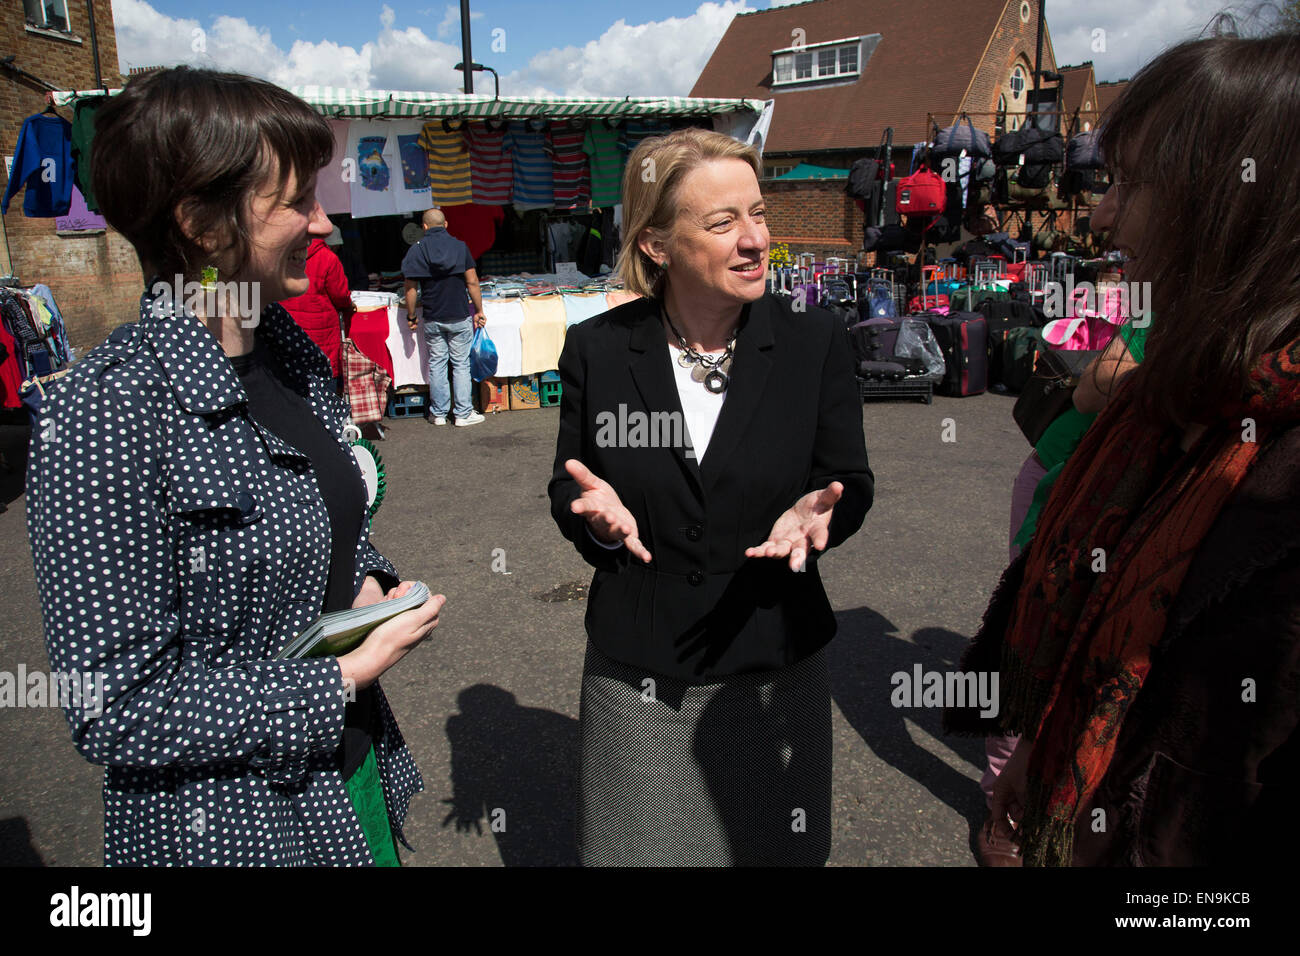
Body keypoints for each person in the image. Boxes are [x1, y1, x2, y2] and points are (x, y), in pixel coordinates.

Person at [25, 66, 445, 866]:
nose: (324, 224)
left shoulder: (289, 352)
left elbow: (326, 527)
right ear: (201, 224)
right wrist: (339, 678)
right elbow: (115, 706)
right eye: (296, 201)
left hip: (350, 776)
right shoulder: (108, 411)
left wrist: (369, 584)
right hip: (230, 828)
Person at [948, 23, 1300, 866]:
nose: (1102, 213)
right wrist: (1042, 754)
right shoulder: (1168, 403)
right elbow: (1097, 636)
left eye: (1130, 184)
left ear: (1231, 207)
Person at [548, 128, 873, 866]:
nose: (757, 239)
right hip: (640, 677)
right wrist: (596, 524)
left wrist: (826, 513)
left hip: (772, 666)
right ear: (658, 244)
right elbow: (571, 485)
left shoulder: (812, 340)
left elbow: (848, 479)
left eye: (758, 214)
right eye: (724, 222)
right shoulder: (599, 349)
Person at [980, 320, 1146, 866]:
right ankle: (1002, 812)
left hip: (1137, 509)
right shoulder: (1169, 305)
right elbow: (1092, 386)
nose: (1102, 228)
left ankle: (1058, 800)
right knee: (1029, 651)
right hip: (1062, 480)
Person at [402, 208, 486, 427]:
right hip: (458, 314)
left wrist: (411, 315)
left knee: (437, 363)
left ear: (425, 227)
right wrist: (479, 310)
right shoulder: (460, 247)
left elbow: (410, 289)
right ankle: (462, 413)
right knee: (460, 364)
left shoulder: (416, 250)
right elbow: (473, 281)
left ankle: (438, 414)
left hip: (432, 315)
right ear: (446, 224)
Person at [279, 232, 355, 391]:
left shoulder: (278, 256)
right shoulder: (327, 258)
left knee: (292, 382)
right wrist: (348, 305)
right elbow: (340, 295)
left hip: (287, 329)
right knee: (325, 382)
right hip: (321, 333)